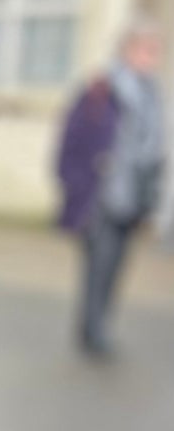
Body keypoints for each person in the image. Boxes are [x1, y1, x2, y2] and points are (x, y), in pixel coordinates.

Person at [56, 19, 168, 356]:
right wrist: (75, 186)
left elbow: (155, 149)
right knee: (98, 265)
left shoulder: (152, 94)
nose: (153, 57)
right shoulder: (100, 90)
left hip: (133, 198)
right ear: (129, 49)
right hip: (100, 197)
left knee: (117, 266)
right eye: (147, 50)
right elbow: (70, 142)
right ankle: (91, 332)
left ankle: (101, 325)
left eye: (156, 51)